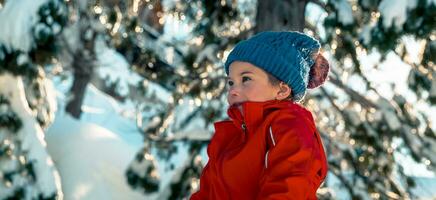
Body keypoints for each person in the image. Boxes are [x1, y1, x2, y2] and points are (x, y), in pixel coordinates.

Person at [190, 31, 330, 200]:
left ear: (282, 90)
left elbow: (290, 183)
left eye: (246, 79)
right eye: (231, 82)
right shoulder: (232, 137)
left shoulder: (290, 125)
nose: (233, 90)